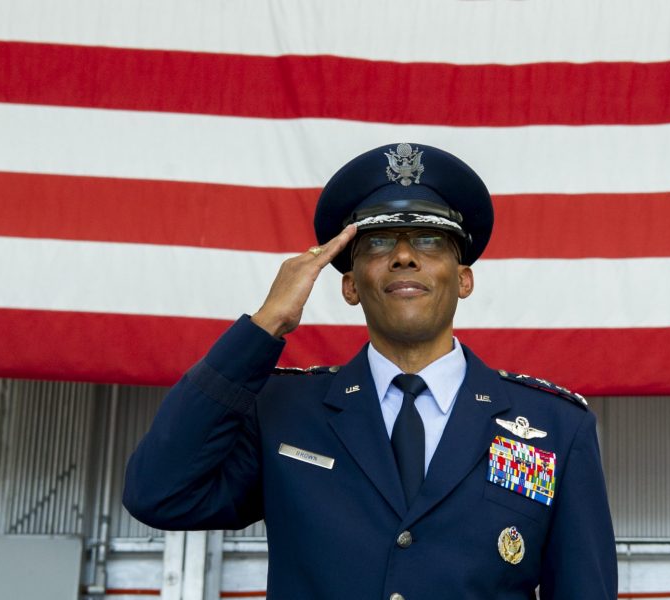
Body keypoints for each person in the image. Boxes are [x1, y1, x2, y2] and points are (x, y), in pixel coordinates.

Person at [123, 143, 617, 599]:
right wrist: (265, 324)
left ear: (464, 279)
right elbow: (159, 494)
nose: (404, 256)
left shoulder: (553, 428)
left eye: (428, 240)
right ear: (350, 286)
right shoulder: (283, 411)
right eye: (378, 244)